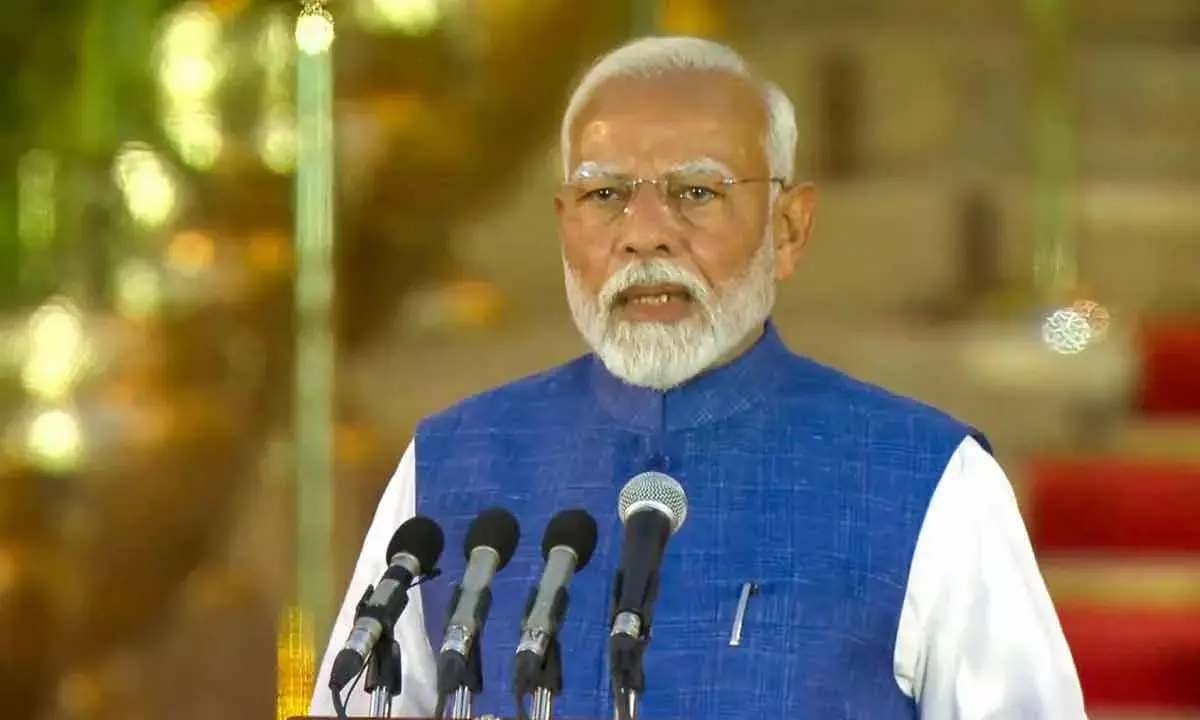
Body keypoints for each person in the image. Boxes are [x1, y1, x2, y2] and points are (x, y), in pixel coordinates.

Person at [311, 36, 1087, 718]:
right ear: (563, 225)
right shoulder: (454, 464)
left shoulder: (927, 481)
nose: (644, 234)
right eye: (605, 194)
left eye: (696, 192)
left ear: (789, 229)